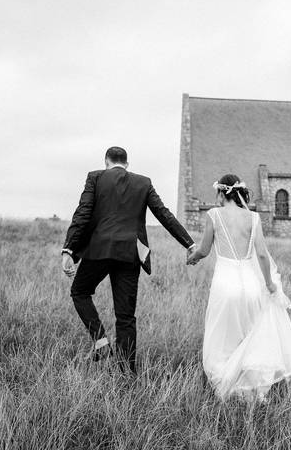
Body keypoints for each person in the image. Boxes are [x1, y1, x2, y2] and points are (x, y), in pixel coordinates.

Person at [61, 146, 197, 376]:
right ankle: (127, 372)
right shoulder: (143, 183)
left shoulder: (95, 178)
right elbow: (164, 215)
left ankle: (100, 340)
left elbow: (82, 213)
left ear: (106, 161)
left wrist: (68, 249)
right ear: (127, 163)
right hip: (130, 254)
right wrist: (189, 243)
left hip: (99, 250)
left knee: (80, 292)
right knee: (125, 316)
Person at [186, 173, 291, 402]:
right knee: (249, 337)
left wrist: (192, 258)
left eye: (218, 194)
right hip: (251, 287)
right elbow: (261, 254)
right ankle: (249, 390)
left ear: (222, 193)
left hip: (225, 286)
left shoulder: (214, 215)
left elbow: (203, 250)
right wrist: (270, 284)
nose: (217, 198)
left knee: (222, 338)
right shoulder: (253, 218)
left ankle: (226, 386)